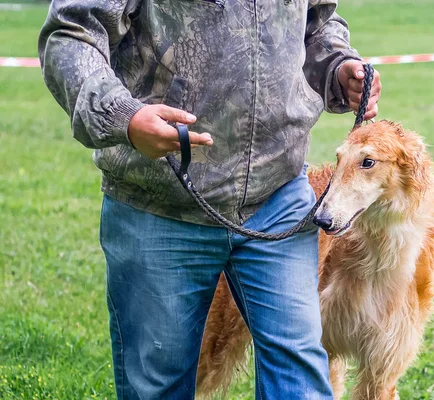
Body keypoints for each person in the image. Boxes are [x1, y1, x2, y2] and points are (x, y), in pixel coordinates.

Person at [38, 1, 381, 399]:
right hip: (159, 202)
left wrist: (339, 68)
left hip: (279, 198)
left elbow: (317, 23)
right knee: (157, 386)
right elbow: (73, 33)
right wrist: (124, 116)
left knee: (299, 379)